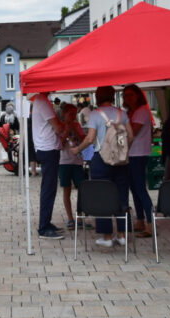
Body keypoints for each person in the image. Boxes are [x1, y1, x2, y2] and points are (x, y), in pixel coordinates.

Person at [70, 85, 134, 247]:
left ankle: (106, 236)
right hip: (121, 160)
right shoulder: (122, 114)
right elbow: (131, 136)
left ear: (98, 97)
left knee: (102, 195)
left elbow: (90, 138)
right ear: (112, 96)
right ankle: (121, 234)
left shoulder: (95, 115)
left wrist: (78, 148)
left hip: (101, 159)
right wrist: (123, 150)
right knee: (122, 195)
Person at [31, 93, 65, 239]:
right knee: (48, 188)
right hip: (48, 148)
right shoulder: (43, 102)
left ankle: (46, 222)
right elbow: (57, 127)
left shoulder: (41, 101)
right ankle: (44, 227)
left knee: (50, 188)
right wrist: (67, 126)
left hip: (47, 148)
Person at [122, 84, 154, 238]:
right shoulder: (131, 112)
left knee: (140, 189)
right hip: (131, 154)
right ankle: (140, 219)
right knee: (134, 189)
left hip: (138, 154)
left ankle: (150, 223)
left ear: (138, 96)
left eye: (131, 95)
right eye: (125, 95)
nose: (128, 98)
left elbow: (132, 132)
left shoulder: (141, 111)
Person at [58, 104, 85, 231]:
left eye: (75, 114)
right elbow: (61, 144)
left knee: (82, 189)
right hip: (64, 162)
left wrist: (78, 132)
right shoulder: (60, 126)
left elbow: (85, 141)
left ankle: (79, 216)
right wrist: (67, 129)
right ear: (64, 114)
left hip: (77, 162)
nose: (73, 117)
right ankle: (70, 218)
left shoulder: (77, 125)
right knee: (66, 190)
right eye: (70, 114)